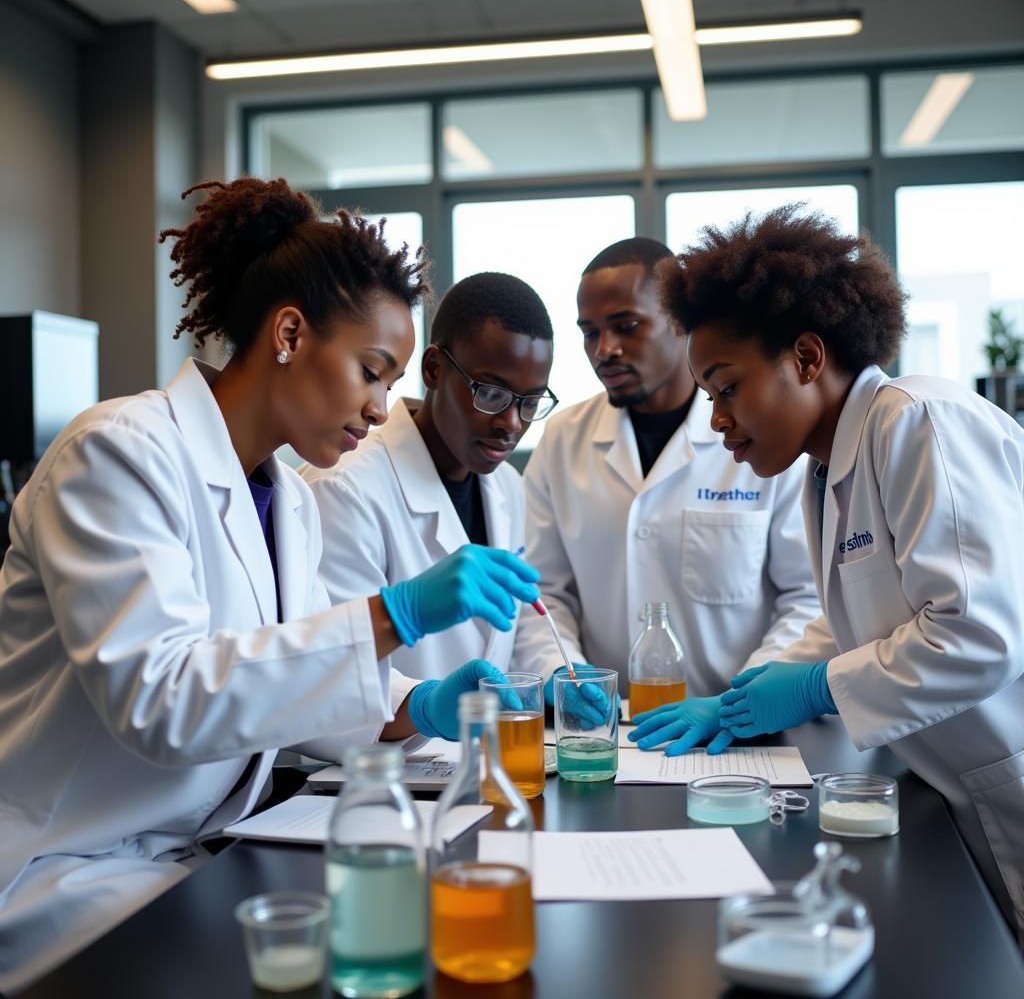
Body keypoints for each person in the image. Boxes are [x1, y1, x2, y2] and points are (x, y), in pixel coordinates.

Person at [0, 178, 540, 991]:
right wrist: (393, 616)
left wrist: (408, 708)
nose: (380, 407)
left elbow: (281, 688)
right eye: (371, 371)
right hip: (69, 861)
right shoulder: (116, 451)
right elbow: (163, 698)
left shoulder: (285, 497)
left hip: (196, 846)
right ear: (290, 332)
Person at [632, 203, 1024, 937]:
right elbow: (858, 613)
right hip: (969, 788)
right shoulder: (825, 468)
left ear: (807, 359)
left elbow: (980, 635)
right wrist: (748, 694)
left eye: (726, 387)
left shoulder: (918, 422)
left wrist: (817, 686)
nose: (715, 420)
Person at [302, 272, 605, 740]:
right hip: (382, 775)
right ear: (434, 369)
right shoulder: (345, 489)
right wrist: (423, 705)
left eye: (529, 402)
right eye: (492, 393)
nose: (511, 423)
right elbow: (323, 670)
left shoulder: (506, 487)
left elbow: (522, 616)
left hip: (477, 769)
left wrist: (559, 674)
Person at [520, 237, 819, 702]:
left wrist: (746, 698)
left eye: (626, 326)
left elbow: (806, 595)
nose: (605, 350)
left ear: (681, 326)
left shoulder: (764, 441)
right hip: (610, 730)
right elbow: (542, 595)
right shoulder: (561, 440)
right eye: (590, 333)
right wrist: (564, 675)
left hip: (738, 732)